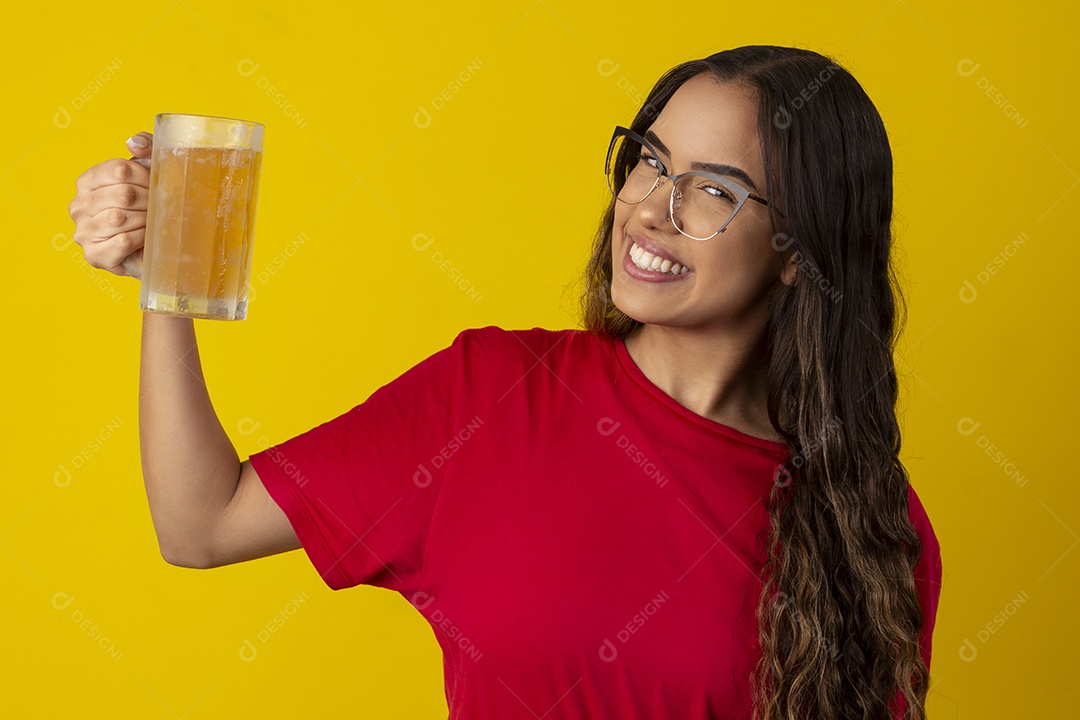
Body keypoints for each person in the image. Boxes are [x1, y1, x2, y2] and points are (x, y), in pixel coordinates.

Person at [67, 45, 942, 720]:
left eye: (712, 190)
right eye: (648, 159)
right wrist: (165, 280)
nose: (649, 207)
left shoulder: (867, 521)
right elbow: (200, 521)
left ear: (801, 251)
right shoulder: (489, 396)